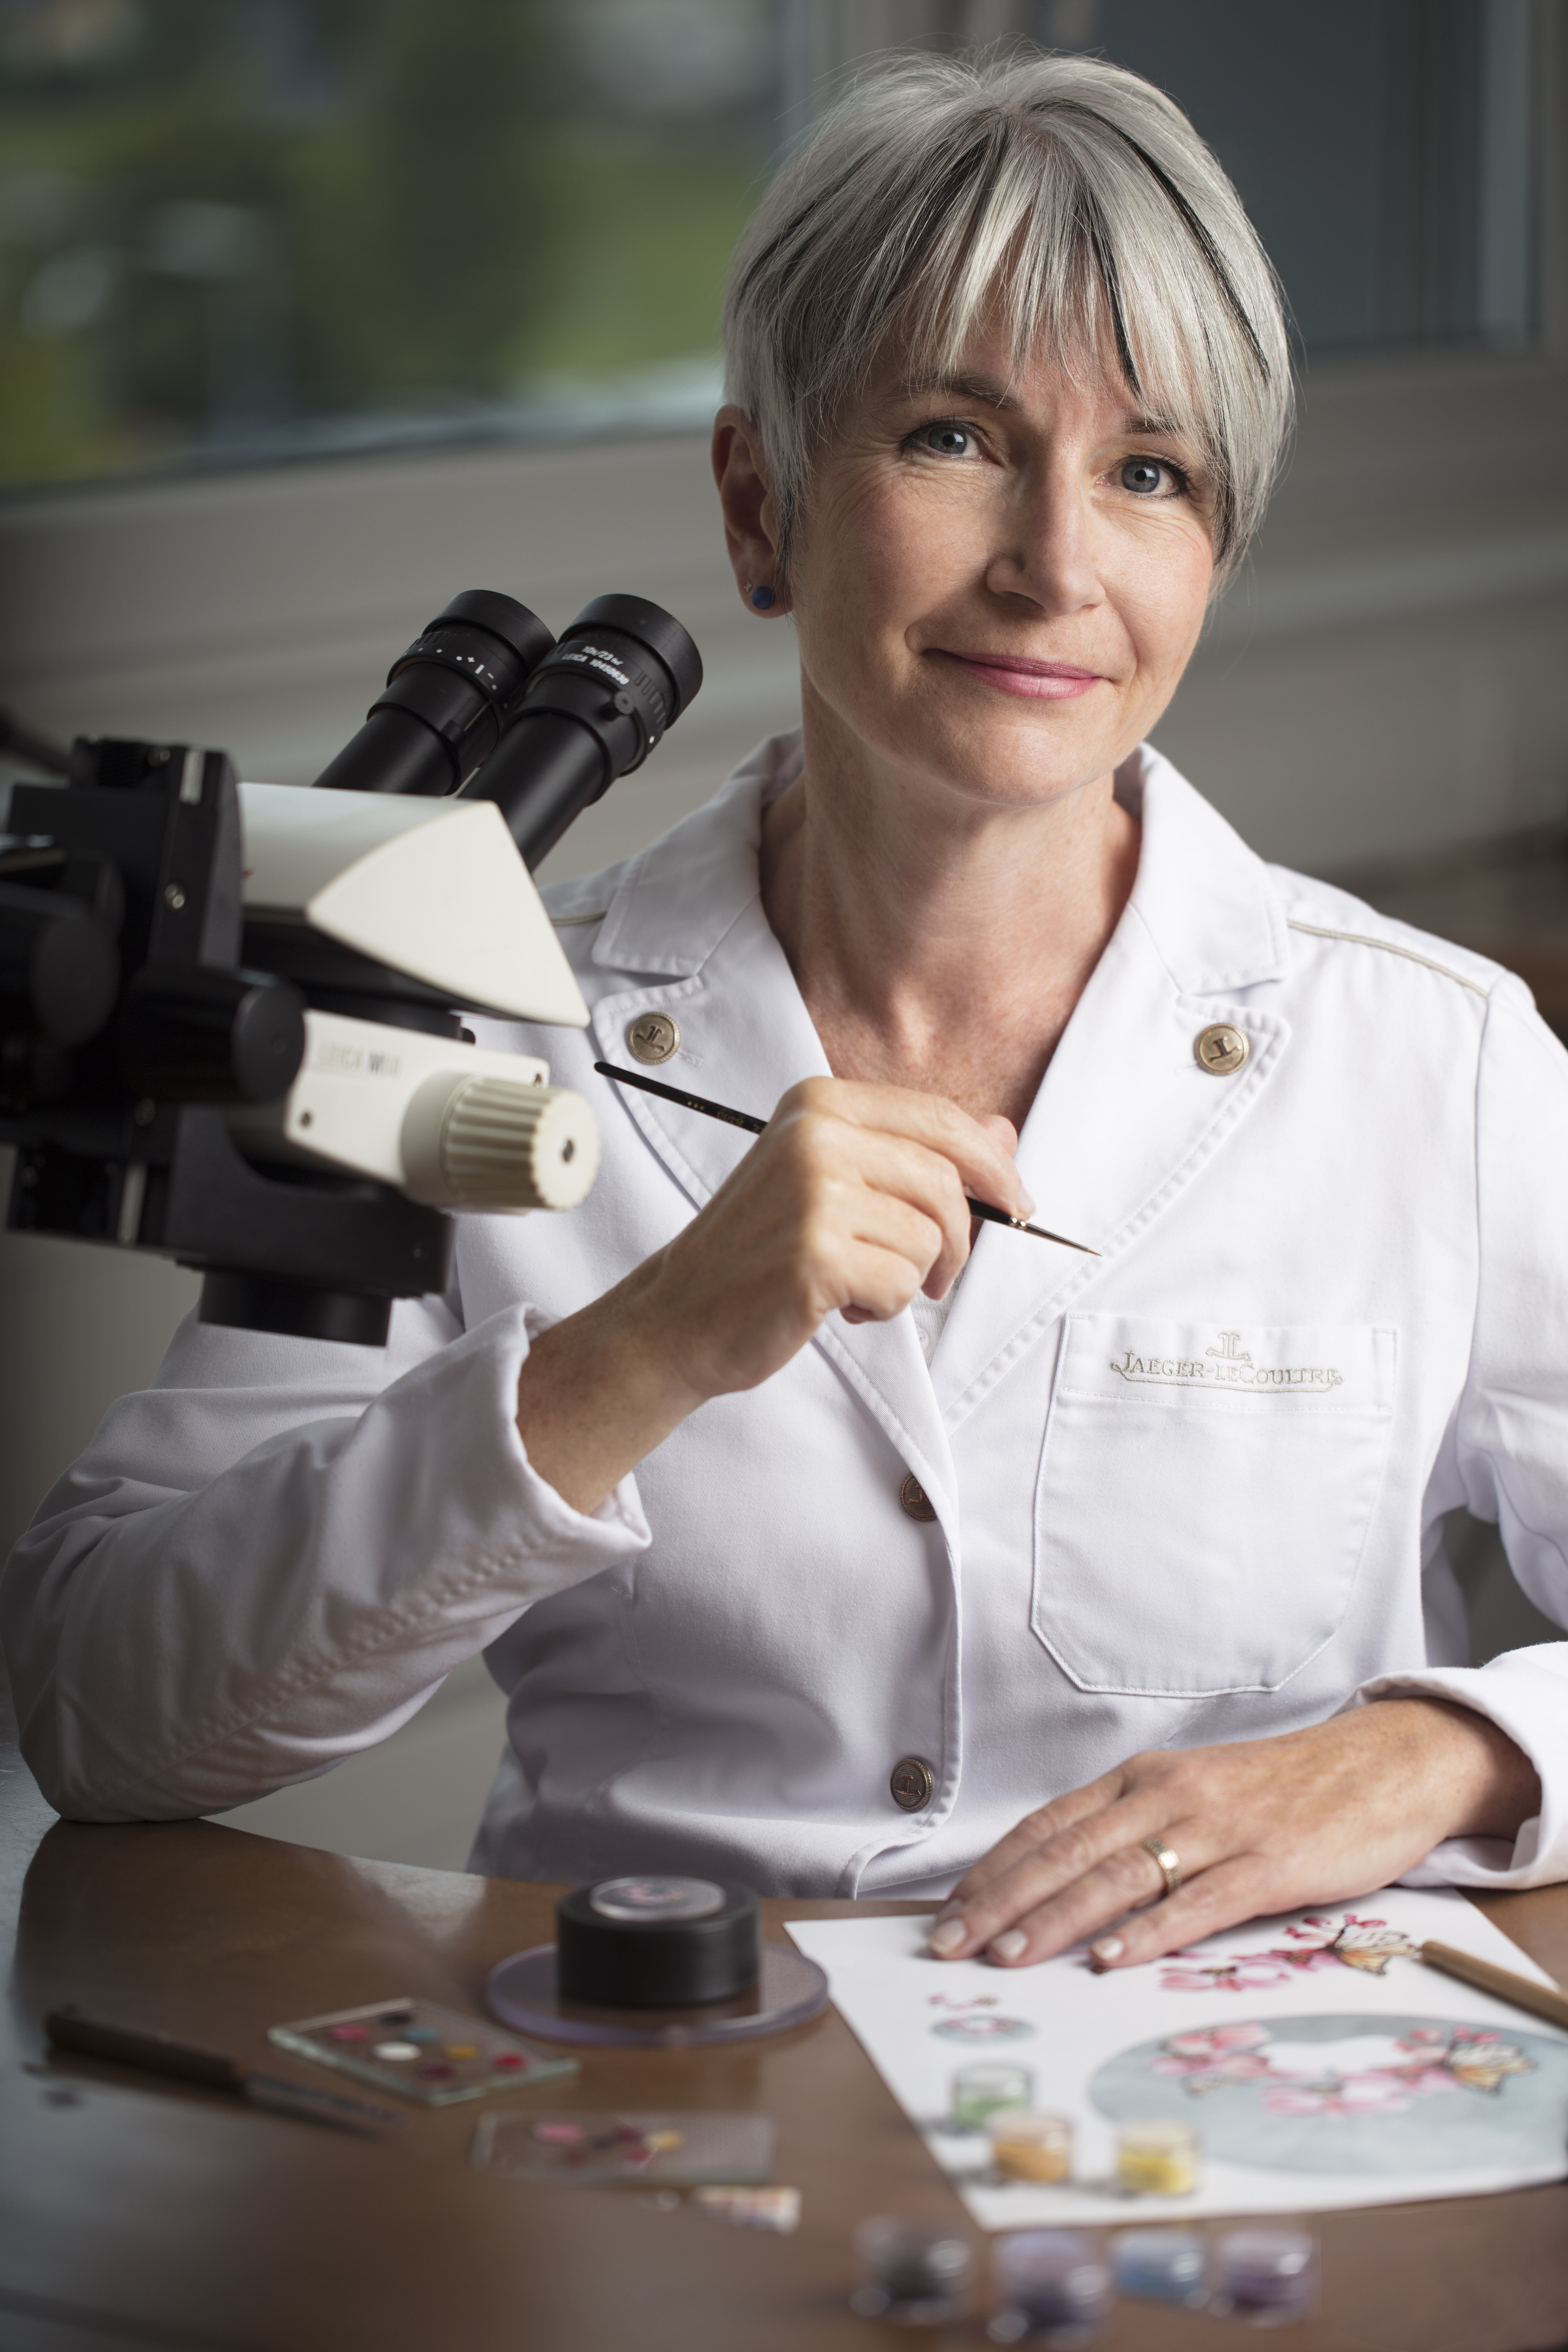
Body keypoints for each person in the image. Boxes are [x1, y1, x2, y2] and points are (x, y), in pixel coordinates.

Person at [4, 50, 1564, 1978]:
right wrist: (631, 1353)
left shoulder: (1440, 1061)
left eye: (1147, 473)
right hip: (658, 2143)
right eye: (953, 438)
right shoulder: (468, 1031)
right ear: (757, 504)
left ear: (1209, 559)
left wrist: (1442, 1748)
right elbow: (106, 1710)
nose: (1055, 562)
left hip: (1232, 2164)